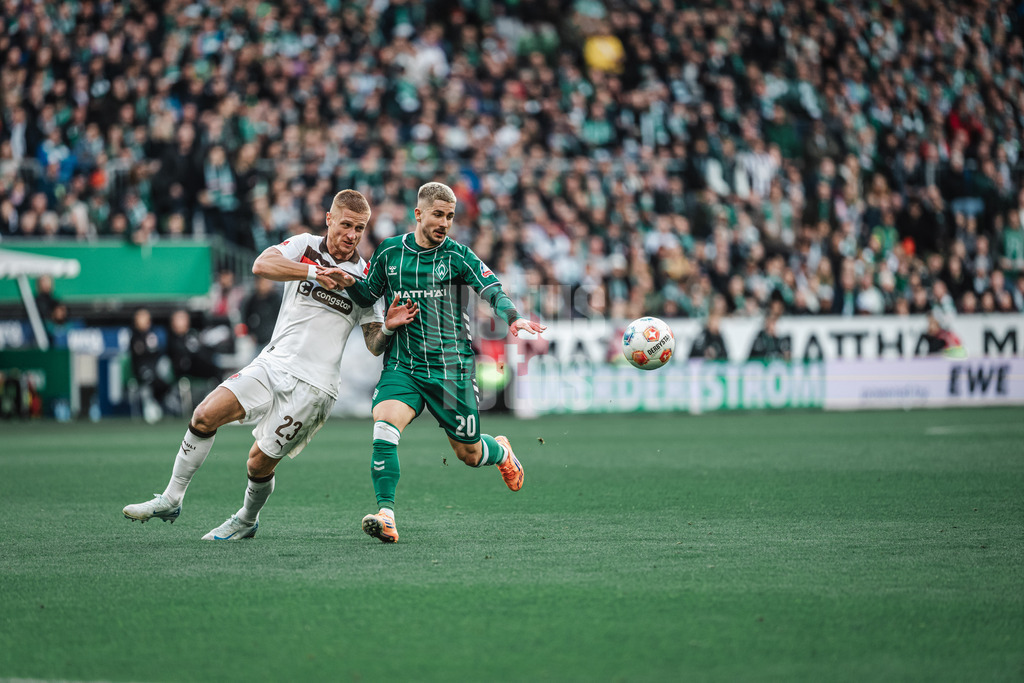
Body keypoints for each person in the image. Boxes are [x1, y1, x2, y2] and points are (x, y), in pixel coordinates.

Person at [122, 190, 415, 540]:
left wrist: (387, 327)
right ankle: (171, 498)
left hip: (315, 387)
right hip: (272, 363)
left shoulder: (366, 277)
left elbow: (373, 345)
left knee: (257, 462)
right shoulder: (305, 245)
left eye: (360, 228)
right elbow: (261, 265)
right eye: (346, 225)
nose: (352, 235)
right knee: (203, 415)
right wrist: (312, 273)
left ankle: (246, 519)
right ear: (329, 219)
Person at [328, 182, 547, 544]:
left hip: (451, 370)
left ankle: (503, 451)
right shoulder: (389, 252)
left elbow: (491, 288)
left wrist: (513, 317)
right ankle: (386, 514)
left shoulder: (457, 256)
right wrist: (346, 281)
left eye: (450, 216)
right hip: (404, 367)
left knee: (470, 453)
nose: (445, 222)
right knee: (384, 424)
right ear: (418, 214)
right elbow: (368, 293)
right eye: (438, 215)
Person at [167, 309, 224, 382]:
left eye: (185, 318)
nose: (184, 321)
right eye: (180, 318)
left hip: (208, 374)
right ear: (173, 322)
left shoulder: (193, 334)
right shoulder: (171, 340)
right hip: (187, 377)